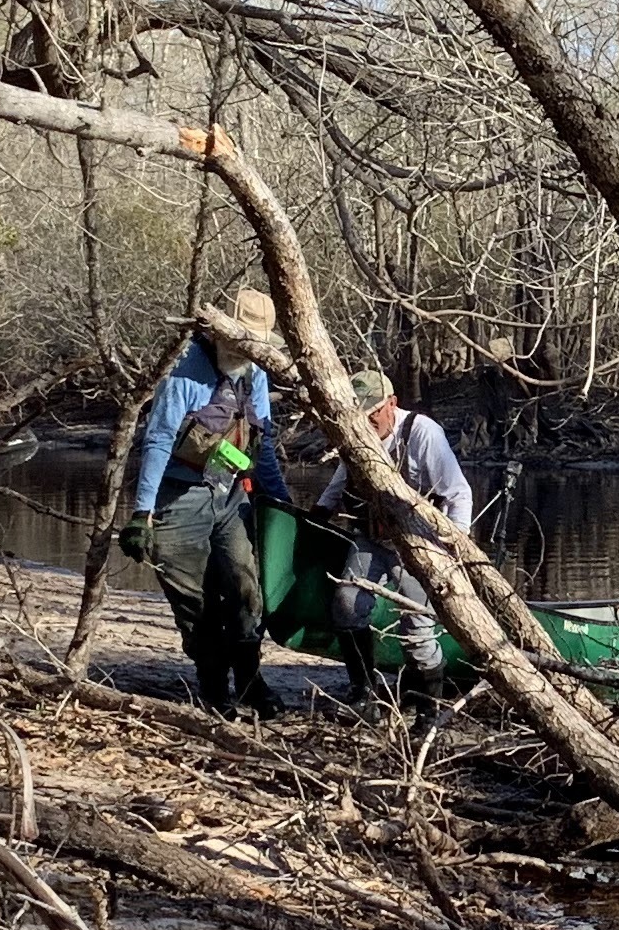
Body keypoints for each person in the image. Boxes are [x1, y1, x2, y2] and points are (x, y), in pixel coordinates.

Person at [116, 294, 289, 716]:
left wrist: (280, 500)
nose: (248, 351)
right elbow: (157, 439)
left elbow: (260, 445)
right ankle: (214, 688)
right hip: (179, 499)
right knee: (194, 602)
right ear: (219, 332)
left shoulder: (255, 374)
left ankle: (249, 681)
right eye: (242, 341)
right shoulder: (184, 371)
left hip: (231, 496)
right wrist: (143, 513)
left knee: (247, 588)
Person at [319, 370, 473, 711]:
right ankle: (363, 692)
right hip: (371, 539)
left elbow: (459, 494)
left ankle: (428, 708)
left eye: (375, 410)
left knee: (417, 628)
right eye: (363, 412)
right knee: (346, 605)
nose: (370, 419)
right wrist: (320, 511)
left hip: (418, 542)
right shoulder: (357, 433)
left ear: (392, 403)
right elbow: (342, 477)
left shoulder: (423, 433)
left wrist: (454, 548)